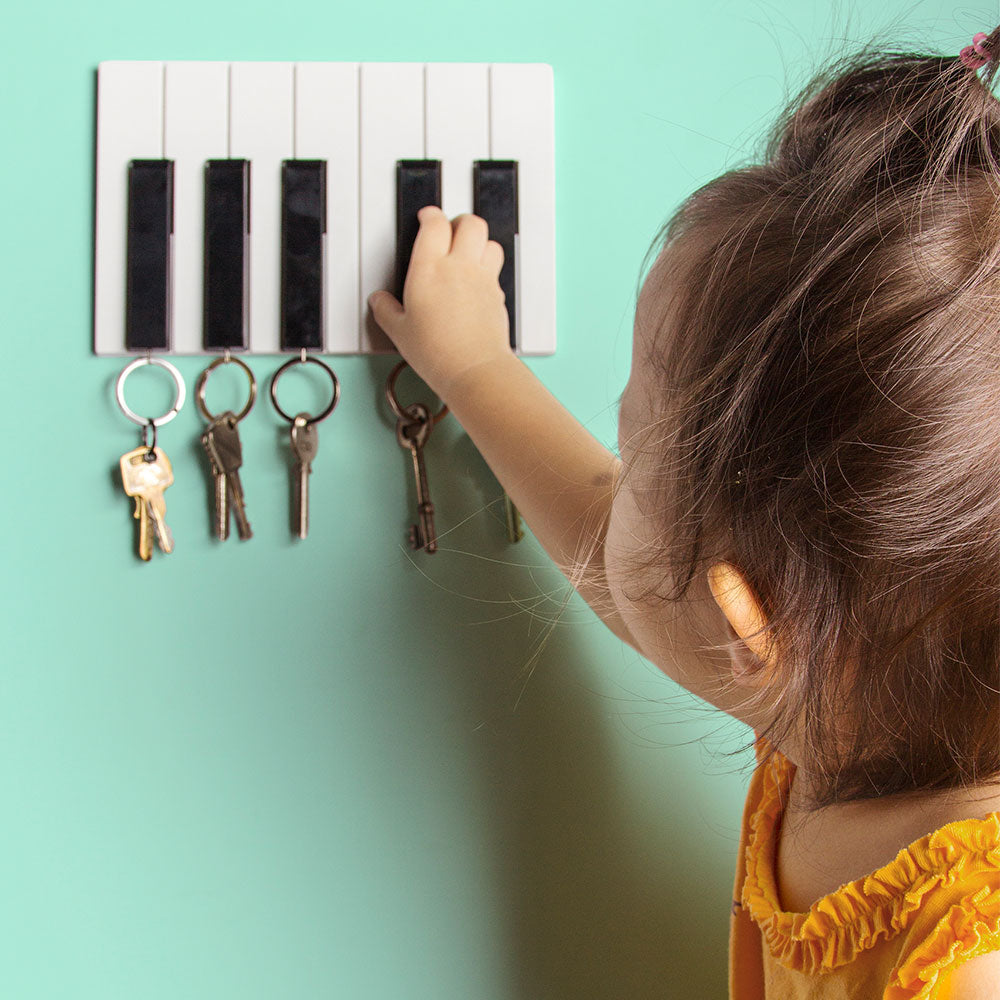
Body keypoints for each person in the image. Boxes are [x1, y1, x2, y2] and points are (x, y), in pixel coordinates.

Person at [368, 27, 1000, 1000]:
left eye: (629, 446)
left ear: (751, 622)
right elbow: (644, 584)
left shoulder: (962, 967)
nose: (610, 479)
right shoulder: (845, 692)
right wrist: (474, 366)